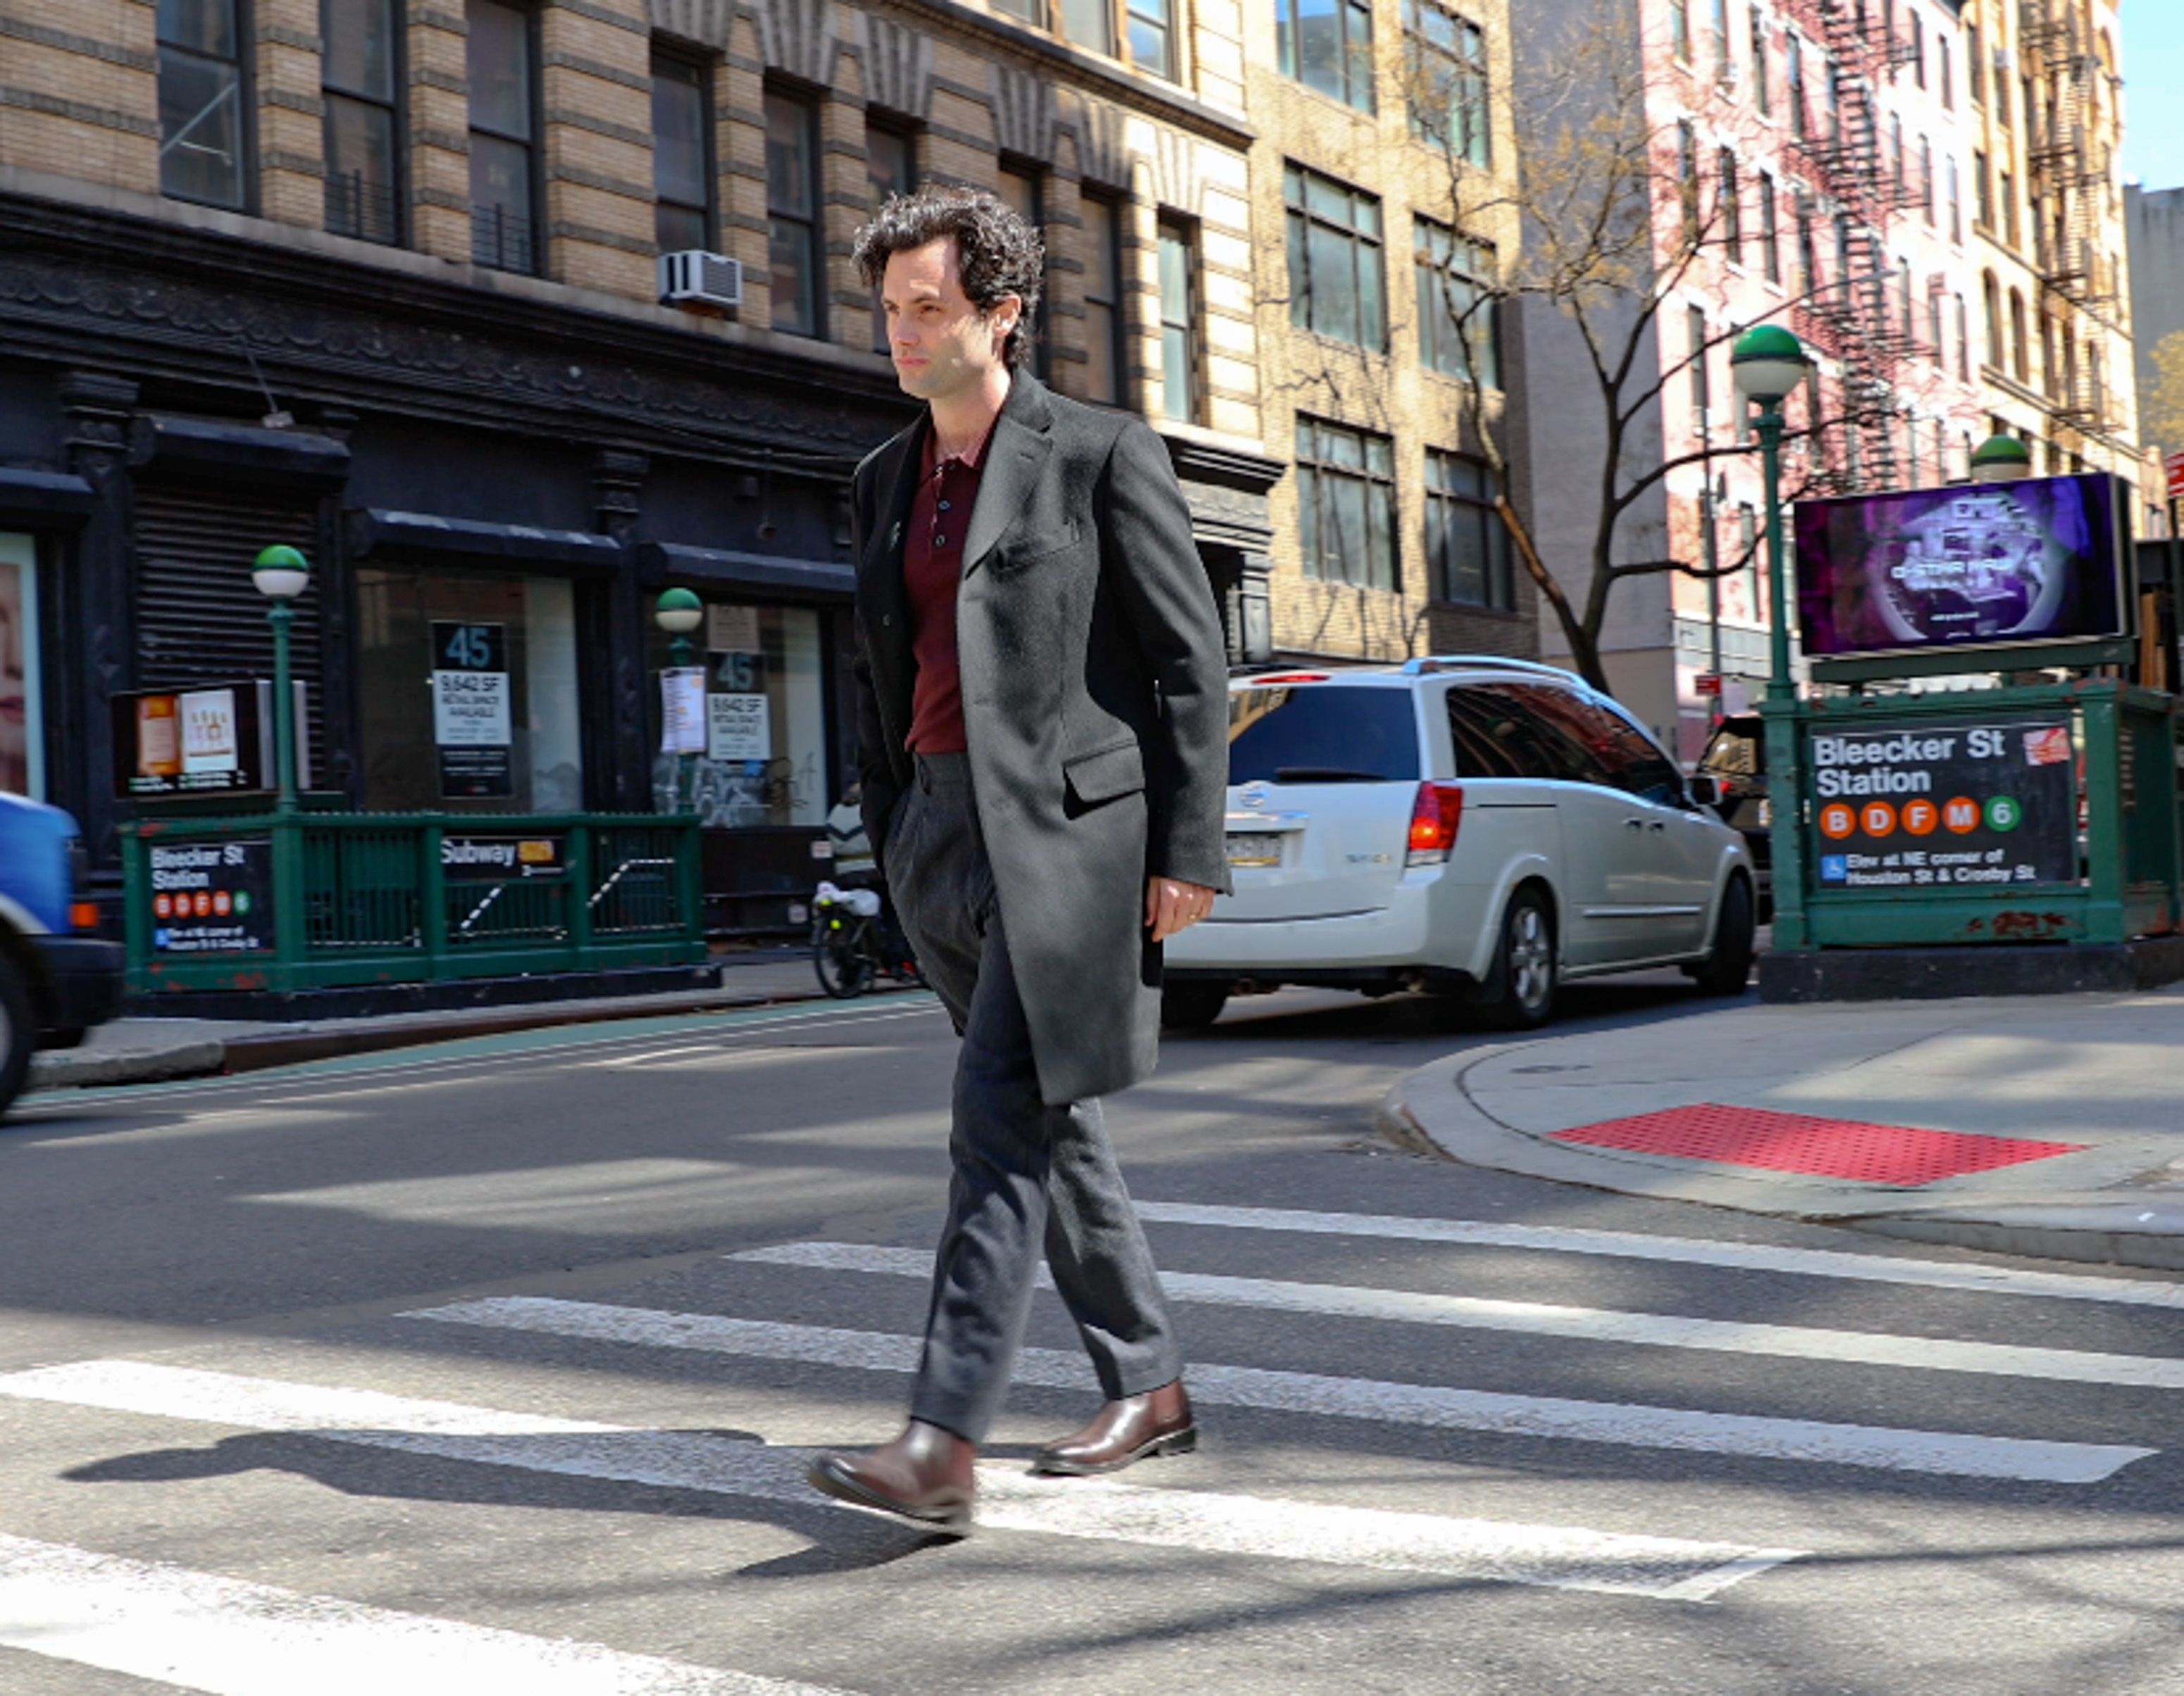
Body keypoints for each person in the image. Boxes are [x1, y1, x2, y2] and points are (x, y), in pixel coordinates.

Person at [805, 186, 1231, 1533]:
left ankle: (940, 1442)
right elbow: (883, 674)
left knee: (993, 1123)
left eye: (929, 308)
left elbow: (1188, 663)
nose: (902, 333)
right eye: (890, 310)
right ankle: (1152, 1383)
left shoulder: (1096, 454)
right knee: (1051, 1118)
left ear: (1002, 314)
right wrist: (888, 830)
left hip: (1069, 838)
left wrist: (1188, 845)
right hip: (933, 833)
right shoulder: (883, 480)